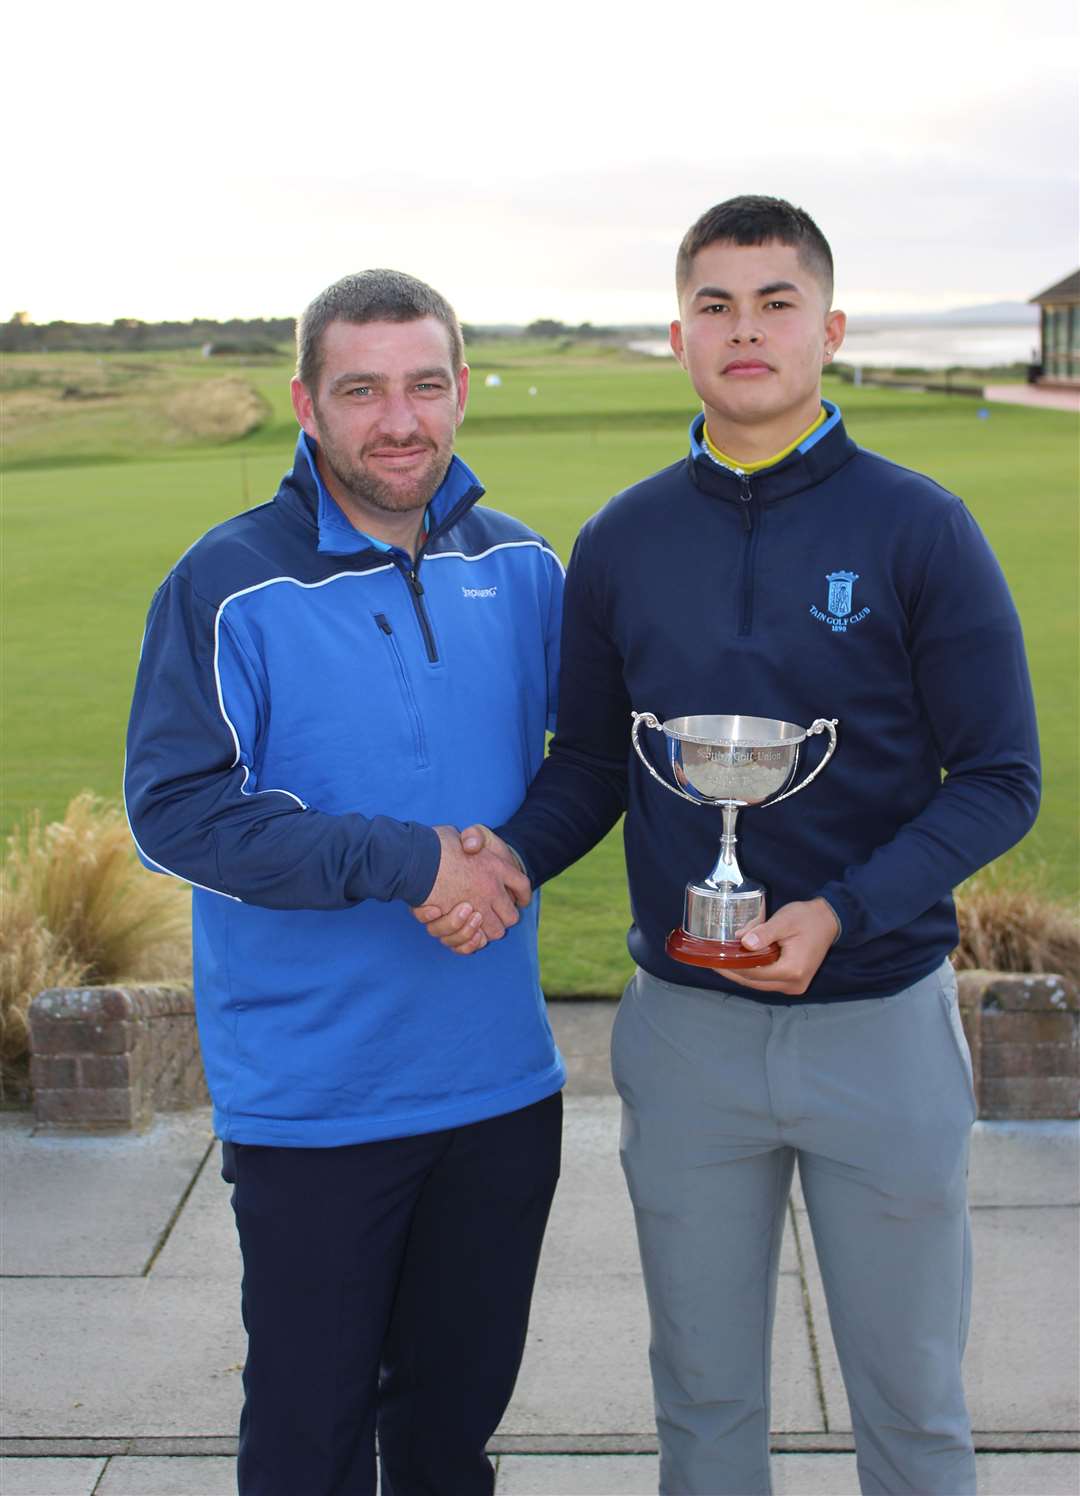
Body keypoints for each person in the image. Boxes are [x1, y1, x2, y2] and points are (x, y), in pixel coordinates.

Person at [417, 197, 1041, 1494]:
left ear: (831, 326)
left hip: (880, 1026)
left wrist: (843, 914)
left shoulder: (921, 528)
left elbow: (997, 780)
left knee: (913, 1400)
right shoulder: (627, 538)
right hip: (687, 1033)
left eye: (774, 301)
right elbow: (591, 764)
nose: (744, 328)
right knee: (702, 1400)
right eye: (715, 303)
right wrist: (502, 856)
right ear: (678, 333)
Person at [124, 269, 565, 1496]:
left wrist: (506, 859)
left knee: (448, 1439)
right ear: (308, 404)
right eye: (362, 389)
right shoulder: (227, 581)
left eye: (426, 385)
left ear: (464, 392)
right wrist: (409, 855)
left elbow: (582, 768)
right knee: (309, 1442)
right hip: (317, 1101)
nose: (400, 418)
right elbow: (176, 810)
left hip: (498, 1088)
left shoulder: (527, 566)